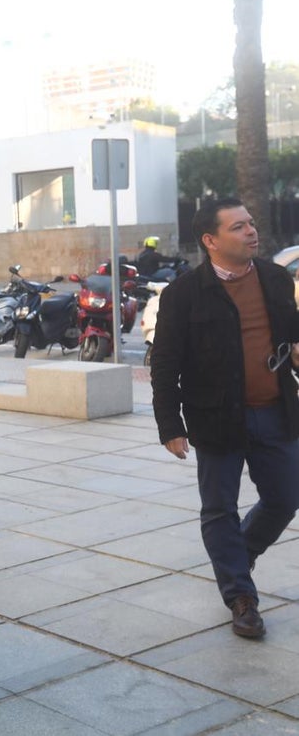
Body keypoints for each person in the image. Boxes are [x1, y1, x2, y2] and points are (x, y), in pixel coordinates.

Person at [151, 197, 299, 639]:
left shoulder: (275, 278)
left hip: (276, 410)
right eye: (238, 227)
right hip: (216, 418)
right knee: (219, 509)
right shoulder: (183, 294)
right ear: (210, 240)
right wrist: (170, 425)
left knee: (285, 498)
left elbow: (292, 335)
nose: (251, 231)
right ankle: (241, 598)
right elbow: (165, 364)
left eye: (250, 223)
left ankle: (239, 555)